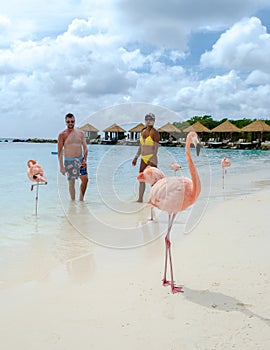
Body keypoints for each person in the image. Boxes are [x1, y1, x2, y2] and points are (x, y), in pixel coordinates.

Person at [58, 113, 88, 201]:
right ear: (65, 122)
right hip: (69, 161)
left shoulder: (81, 133)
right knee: (72, 183)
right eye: (68, 122)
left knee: (85, 180)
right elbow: (60, 152)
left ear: (75, 121)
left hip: (80, 160)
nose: (70, 123)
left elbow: (85, 148)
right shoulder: (62, 135)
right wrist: (61, 167)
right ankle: (73, 203)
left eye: (72, 121)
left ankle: (81, 200)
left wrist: (84, 160)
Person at [132, 113, 160, 202]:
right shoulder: (143, 131)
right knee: (141, 179)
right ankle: (140, 199)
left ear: (154, 121)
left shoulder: (155, 133)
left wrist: (152, 160)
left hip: (152, 158)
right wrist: (136, 157)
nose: (149, 121)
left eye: (151, 119)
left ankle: (154, 199)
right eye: (147, 119)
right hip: (143, 159)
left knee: (153, 182)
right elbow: (141, 146)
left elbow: (156, 149)